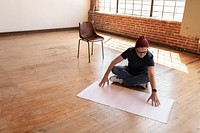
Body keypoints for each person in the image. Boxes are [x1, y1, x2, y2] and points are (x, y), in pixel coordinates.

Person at [99, 36, 160, 107]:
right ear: (135, 49)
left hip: (141, 74)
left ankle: (123, 81)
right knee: (114, 69)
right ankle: (138, 83)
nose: (142, 55)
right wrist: (105, 76)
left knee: (148, 77)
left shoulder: (149, 56)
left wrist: (154, 91)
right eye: (139, 52)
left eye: (144, 52)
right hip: (129, 70)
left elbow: (151, 74)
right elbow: (113, 62)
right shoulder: (130, 51)